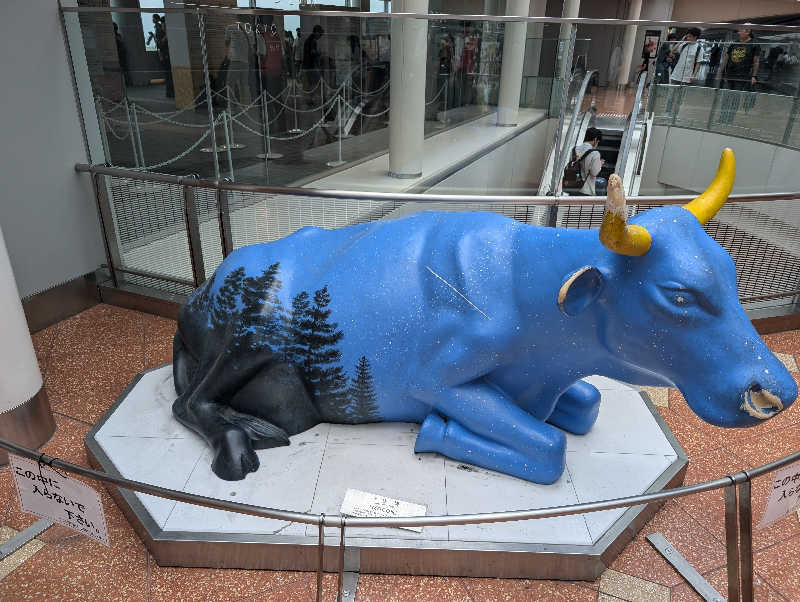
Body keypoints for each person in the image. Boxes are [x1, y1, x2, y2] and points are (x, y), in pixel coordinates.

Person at [225, 18, 254, 105]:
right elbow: (251, 48)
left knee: (230, 84)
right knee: (244, 84)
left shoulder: (230, 28)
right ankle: (247, 105)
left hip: (235, 61)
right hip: (245, 61)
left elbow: (226, 43)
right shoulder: (249, 31)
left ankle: (232, 107)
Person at [571, 127, 605, 196]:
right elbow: (594, 172)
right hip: (586, 191)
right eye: (598, 141)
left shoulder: (574, 149)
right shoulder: (595, 153)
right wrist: (600, 165)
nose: (597, 143)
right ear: (595, 139)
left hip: (572, 188)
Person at [113, 22, 131, 88]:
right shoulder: (118, 35)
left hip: (120, 54)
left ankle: (126, 83)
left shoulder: (117, 36)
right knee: (123, 69)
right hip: (121, 54)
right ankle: (126, 82)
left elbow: (121, 43)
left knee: (123, 69)